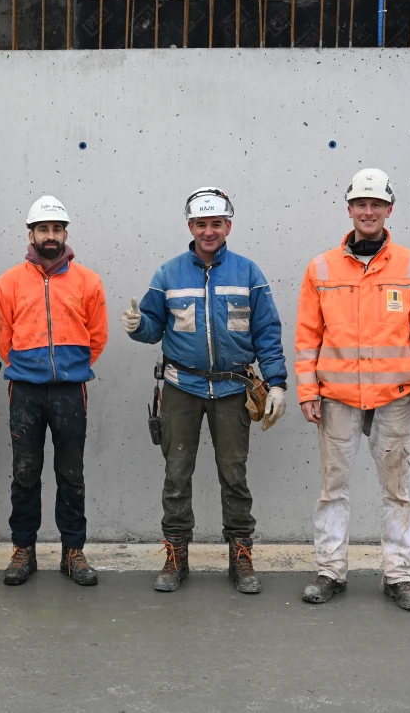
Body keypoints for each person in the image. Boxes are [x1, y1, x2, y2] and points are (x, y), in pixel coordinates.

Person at [293, 168, 410, 612]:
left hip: (394, 398)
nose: (368, 211)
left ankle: (398, 576)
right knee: (332, 489)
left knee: (397, 491)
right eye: (361, 204)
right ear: (349, 209)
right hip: (337, 398)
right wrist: (307, 390)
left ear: (389, 210)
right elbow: (307, 336)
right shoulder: (321, 268)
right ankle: (330, 572)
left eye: (376, 204)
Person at [122, 187, 288, 594]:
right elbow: (153, 328)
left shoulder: (249, 274)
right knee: (176, 475)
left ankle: (241, 557)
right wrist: (138, 326)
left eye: (216, 223)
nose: (208, 231)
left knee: (234, 475)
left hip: (233, 389)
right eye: (201, 224)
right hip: (181, 387)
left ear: (228, 225)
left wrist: (277, 383)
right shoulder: (168, 274)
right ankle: (176, 557)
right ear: (190, 226)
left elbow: (267, 332)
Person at [0, 196, 108, 587]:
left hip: (70, 392)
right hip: (24, 391)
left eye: (57, 229)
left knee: (71, 474)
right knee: (25, 474)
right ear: (31, 234)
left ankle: (73, 551)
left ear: (65, 233)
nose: (51, 235)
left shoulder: (87, 281)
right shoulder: (9, 282)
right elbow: (1, 335)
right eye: (43, 229)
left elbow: (98, 336)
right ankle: (23, 549)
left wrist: (70, 368)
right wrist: (29, 368)